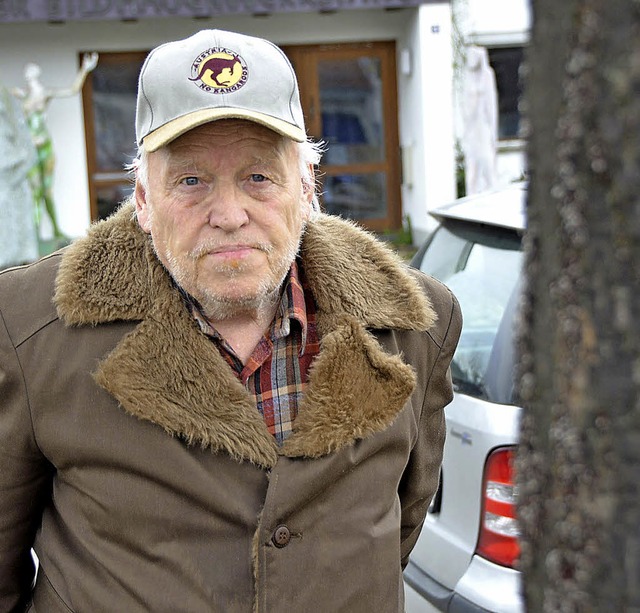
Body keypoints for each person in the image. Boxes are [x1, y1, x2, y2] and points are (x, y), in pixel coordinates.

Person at [0, 29, 461, 613]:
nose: (229, 214)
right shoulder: (27, 329)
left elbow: (398, 523)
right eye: (191, 180)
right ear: (142, 199)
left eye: (259, 177)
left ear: (307, 187)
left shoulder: (417, 325)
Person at [11, 52, 98, 241]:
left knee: (47, 191)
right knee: (35, 191)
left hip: (45, 147)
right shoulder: (22, 95)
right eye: (27, 75)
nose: (28, 77)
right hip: (30, 150)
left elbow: (72, 90)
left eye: (31, 74)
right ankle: (35, 235)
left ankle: (56, 230)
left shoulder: (44, 94)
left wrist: (84, 69)